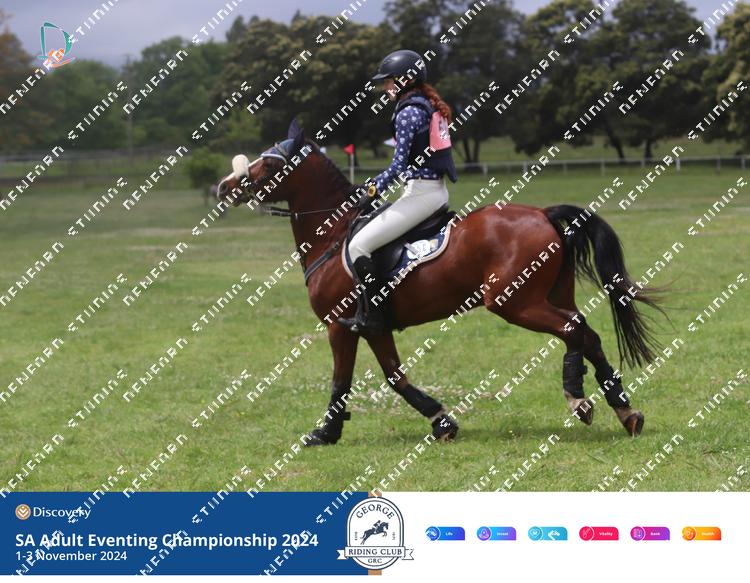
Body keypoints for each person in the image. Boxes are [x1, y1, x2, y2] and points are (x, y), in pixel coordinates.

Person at [338, 49, 458, 335]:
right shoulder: (426, 105)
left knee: (357, 247)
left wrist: (372, 189)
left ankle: (374, 317)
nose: (385, 87)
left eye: (389, 81)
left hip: (421, 195)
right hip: (432, 191)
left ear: (406, 80)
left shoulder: (408, 112)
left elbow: (398, 166)